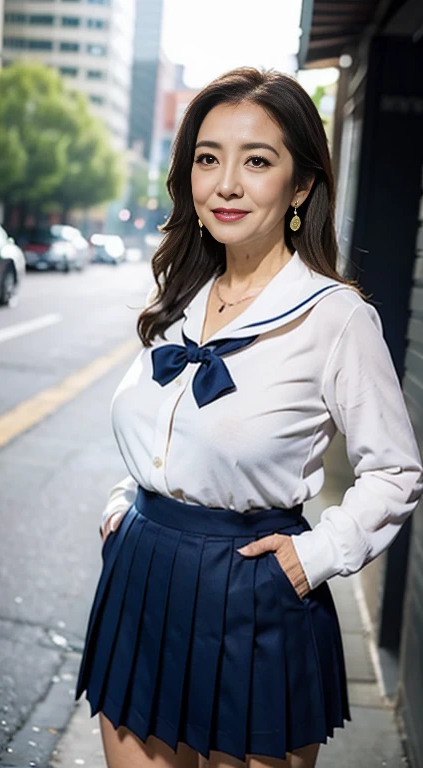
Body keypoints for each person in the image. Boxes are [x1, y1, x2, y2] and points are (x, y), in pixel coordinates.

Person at [75, 68, 423, 768]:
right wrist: (129, 498)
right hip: (141, 576)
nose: (225, 184)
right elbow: (158, 425)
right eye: (208, 158)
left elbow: (397, 470)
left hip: (253, 593)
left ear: (300, 187)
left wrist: (317, 555)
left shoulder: (336, 317)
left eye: (256, 161)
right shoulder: (180, 291)